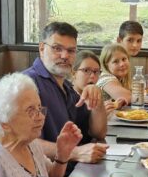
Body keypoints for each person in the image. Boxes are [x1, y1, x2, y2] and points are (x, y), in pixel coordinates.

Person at [24, 21, 108, 164]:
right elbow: (23, 143)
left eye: (71, 50)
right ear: (42, 48)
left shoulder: (67, 87)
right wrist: (75, 153)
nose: (64, 56)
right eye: (57, 48)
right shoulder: (28, 84)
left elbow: (97, 132)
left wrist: (97, 101)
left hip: (73, 170)